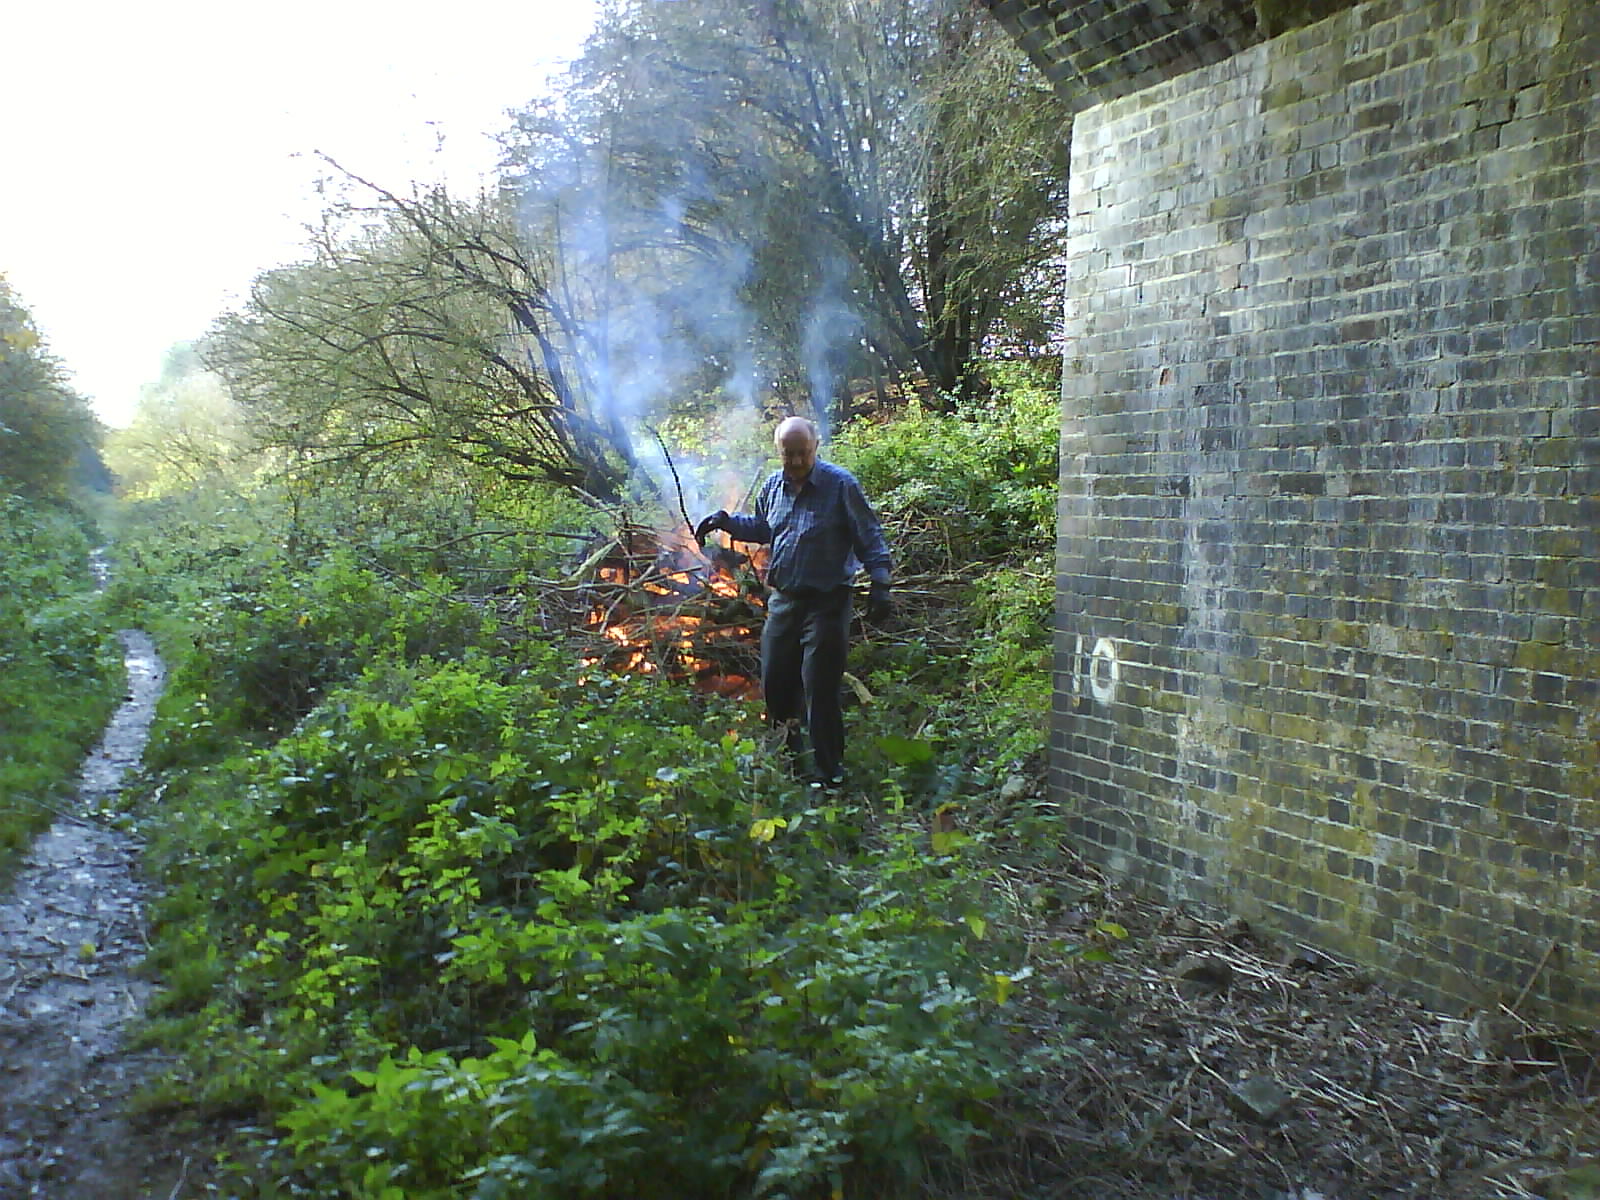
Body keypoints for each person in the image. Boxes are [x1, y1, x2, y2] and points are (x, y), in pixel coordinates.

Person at [696, 417, 892, 787]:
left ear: (816, 447)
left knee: (819, 687)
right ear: (779, 451)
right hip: (784, 602)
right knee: (776, 685)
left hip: (827, 603)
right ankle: (792, 766)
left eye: (803, 452)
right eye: (789, 454)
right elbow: (763, 528)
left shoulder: (840, 485)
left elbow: (869, 534)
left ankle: (829, 775)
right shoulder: (774, 486)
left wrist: (881, 580)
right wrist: (726, 522)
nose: (797, 461)